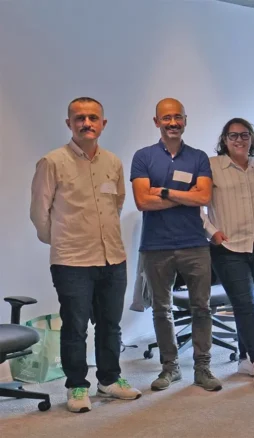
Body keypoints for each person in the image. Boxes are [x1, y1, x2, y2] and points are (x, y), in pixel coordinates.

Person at [30, 97, 142, 413]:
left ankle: (109, 379)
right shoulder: (52, 162)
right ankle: (77, 386)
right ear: (69, 123)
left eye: (93, 117)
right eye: (79, 118)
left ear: (103, 124)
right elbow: (39, 213)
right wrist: (64, 241)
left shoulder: (113, 163)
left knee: (111, 324)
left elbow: (116, 204)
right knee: (75, 326)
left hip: (112, 258)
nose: (86, 123)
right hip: (72, 261)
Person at [131, 98, 222, 392]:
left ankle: (203, 367)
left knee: (202, 308)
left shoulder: (198, 158)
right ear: (156, 122)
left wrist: (166, 191)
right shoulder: (143, 157)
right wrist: (186, 193)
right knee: (162, 309)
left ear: (185, 120)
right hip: (156, 246)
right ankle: (169, 368)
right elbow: (143, 201)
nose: (173, 123)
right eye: (166, 118)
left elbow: (203, 198)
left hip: (194, 243)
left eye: (178, 117)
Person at [202, 118, 254, 388]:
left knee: (252, 301)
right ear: (224, 140)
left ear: (252, 139)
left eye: (244, 135)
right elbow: (199, 204)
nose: (239, 140)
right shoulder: (211, 167)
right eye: (233, 136)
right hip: (227, 246)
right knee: (246, 304)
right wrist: (212, 231)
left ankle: (244, 357)